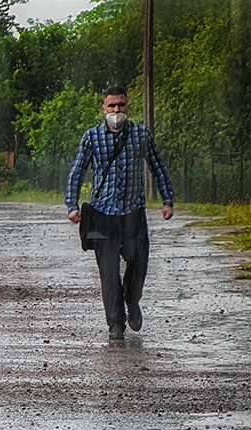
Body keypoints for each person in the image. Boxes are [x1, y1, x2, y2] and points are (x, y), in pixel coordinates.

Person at [65, 86, 175, 341]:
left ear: (128, 107)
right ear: (103, 108)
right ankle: (116, 323)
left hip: (133, 212)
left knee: (138, 263)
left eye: (121, 105)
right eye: (111, 106)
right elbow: (77, 171)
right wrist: (72, 205)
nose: (116, 111)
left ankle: (132, 300)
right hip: (102, 214)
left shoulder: (141, 135)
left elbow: (158, 167)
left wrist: (167, 200)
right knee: (108, 270)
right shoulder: (91, 137)